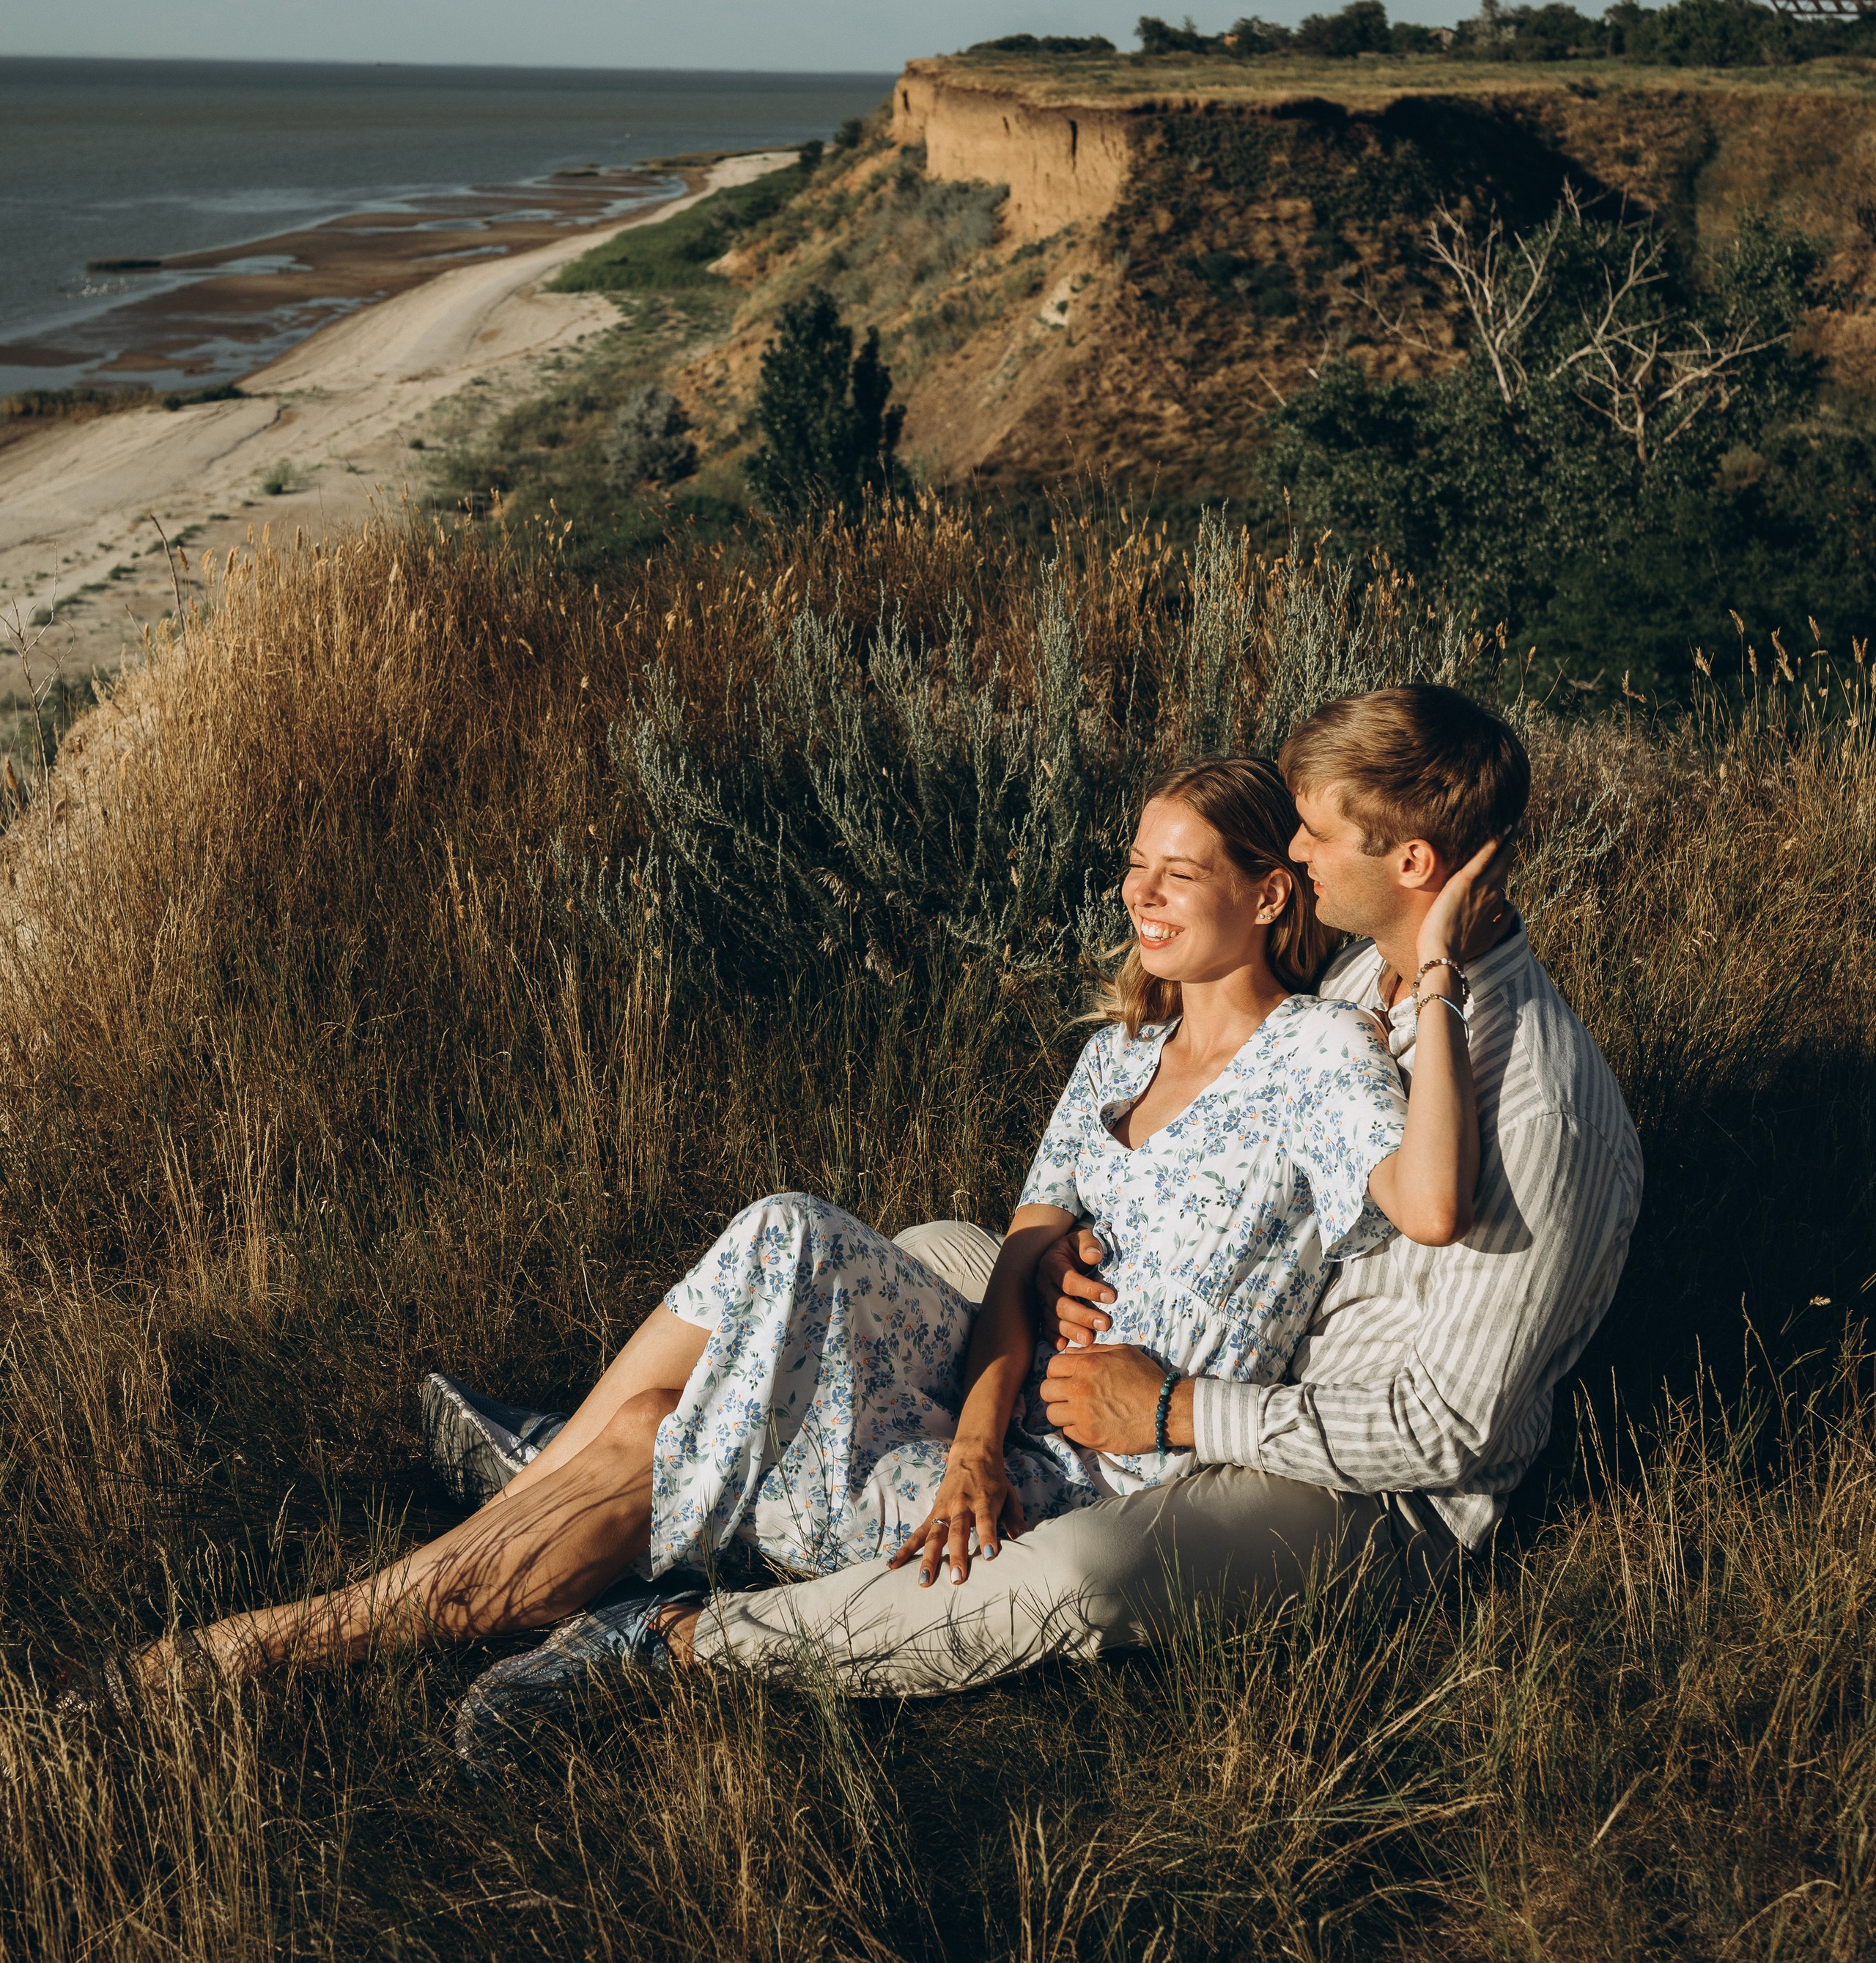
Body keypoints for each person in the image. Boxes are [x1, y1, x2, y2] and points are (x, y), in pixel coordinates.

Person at [93, 747, 1491, 1770]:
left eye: (1181, 871)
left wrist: (1428, 968)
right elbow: (1018, 1266)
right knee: (783, 1229)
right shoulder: (1116, 1052)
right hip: (977, 1444)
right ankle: (494, 1530)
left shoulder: (1317, 1056)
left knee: (648, 1448)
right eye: (1134, 861)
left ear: (1268, 892)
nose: (1141, 890)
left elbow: (1428, 1202)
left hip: (1088, 1485)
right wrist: (972, 1440)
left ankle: (275, 1647)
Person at [632, 682, 1643, 1692]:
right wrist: (1067, 1255)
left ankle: (694, 1641)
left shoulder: (1536, 1109)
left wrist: (1176, 1409)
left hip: (1354, 1481)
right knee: (945, 1245)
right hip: (1238, 1350)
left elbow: (1443, 1431)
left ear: (1414, 864)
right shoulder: (1357, 977)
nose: (1293, 851)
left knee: (1079, 1574)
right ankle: (716, 1462)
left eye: (1317, 836)